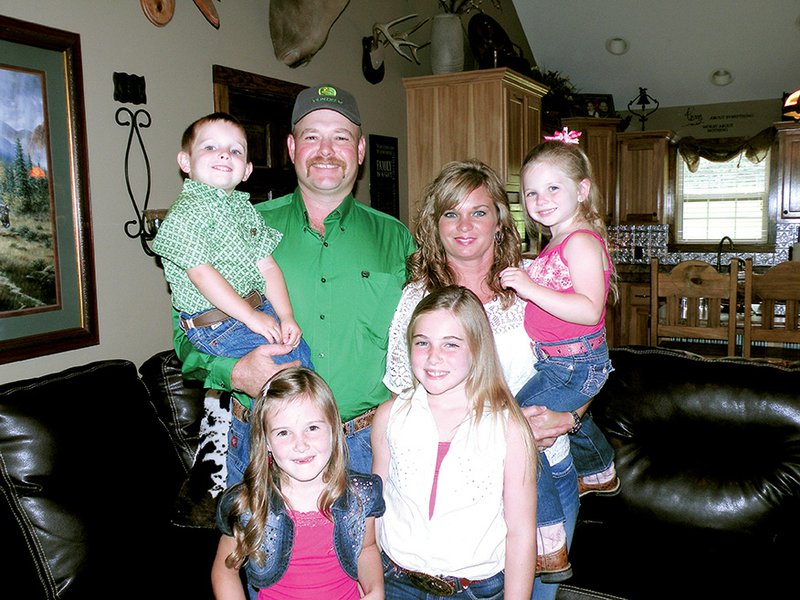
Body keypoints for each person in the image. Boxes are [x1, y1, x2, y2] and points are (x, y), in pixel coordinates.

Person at [171, 84, 416, 486]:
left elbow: (426, 342)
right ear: (291, 147)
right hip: (262, 445)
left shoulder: (398, 239)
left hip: (368, 446)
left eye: (340, 137)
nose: (325, 150)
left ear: (359, 150)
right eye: (311, 136)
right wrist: (234, 373)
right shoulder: (237, 226)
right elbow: (186, 336)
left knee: (368, 552)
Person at [382, 159, 581, 599]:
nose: (464, 225)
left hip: (543, 468)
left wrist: (571, 415)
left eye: (479, 211)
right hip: (458, 485)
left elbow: (586, 359)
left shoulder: (537, 282)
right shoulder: (417, 295)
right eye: (451, 213)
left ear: (500, 220)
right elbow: (404, 389)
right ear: (435, 225)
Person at [499, 132, 620, 586]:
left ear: (582, 190)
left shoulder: (581, 242)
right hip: (560, 361)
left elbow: (590, 309)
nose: (540, 199)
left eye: (553, 188)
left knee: (514, 429)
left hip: (575, 362)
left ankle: (548, 542)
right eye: (530, 191)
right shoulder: (557, 243)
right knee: (548, 417)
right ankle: (599, 467)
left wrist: (529, 287)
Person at [372, 286, 536, 600]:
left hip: (473, 590)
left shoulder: (509, 428)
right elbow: (376, 509)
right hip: (396, 582)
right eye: (422, 343)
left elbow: (520, 533)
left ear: (478, 348)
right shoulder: (390, 416)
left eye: (451, 344)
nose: (434, 357)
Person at [153, 112, 313, 369]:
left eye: (236, 151)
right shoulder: (186, 213)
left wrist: (286, 316)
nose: (225, 154)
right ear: (185, 161)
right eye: (210, 147)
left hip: (259, 312)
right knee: (289, 382)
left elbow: (268, 267)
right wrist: (250, 316)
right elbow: (202, 275)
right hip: (217, 325)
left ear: (247, 170)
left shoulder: (245, 211)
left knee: (302, 367)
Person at [212, 367, 385, 600]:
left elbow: (367, 549)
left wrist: (375, 590)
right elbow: (225, 571)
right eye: (284, 433)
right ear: (267, 442)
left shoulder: (360, 495)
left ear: (334, 430)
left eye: (312, 428)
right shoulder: (249, 504)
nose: (300, 444)